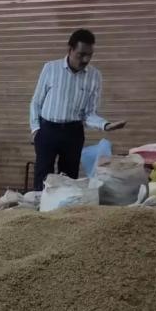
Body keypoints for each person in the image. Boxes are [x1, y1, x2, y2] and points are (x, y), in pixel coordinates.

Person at [29, 28, 127, 191]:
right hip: (47, 131)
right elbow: (36, 101)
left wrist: (105, 125)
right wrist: (36, 130)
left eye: (89, 55)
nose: (85, 59)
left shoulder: (94, 76)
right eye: (81, 54)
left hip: (73, 133)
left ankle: (64, 207)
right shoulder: (50, 68)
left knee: (69, 180)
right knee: (43, 177)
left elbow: (89, 113)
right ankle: (40, 206)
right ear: (70, 49)